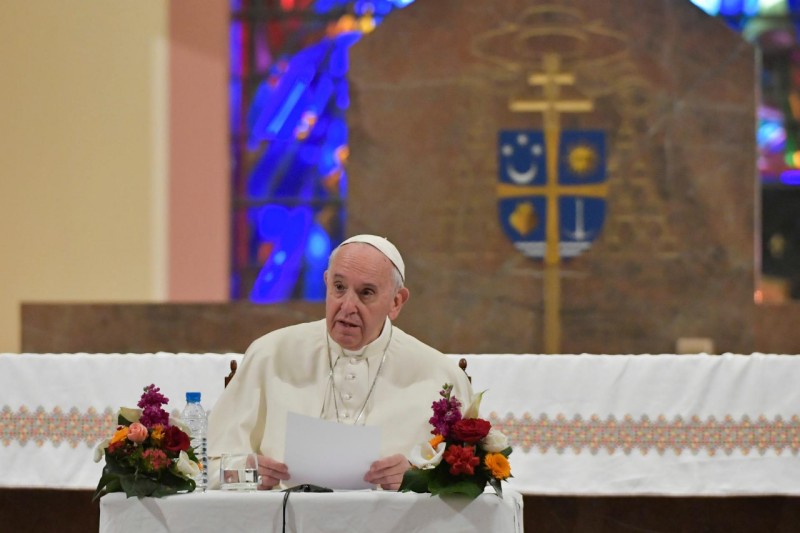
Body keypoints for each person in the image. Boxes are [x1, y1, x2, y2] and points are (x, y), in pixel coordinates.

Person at [207, 234, 473, 491]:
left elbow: (470, 477)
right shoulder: (269, 355)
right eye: (339, 287)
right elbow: (210, 467)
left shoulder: (440, 376)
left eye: (366, 292)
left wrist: (417, 477)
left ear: (396, 302)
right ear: (326, 282)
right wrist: (250, 473)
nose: (347, 306)